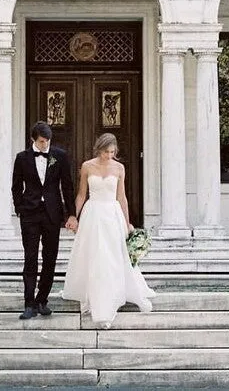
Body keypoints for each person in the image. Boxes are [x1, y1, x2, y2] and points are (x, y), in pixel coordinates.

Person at [62, 132, 154, 328]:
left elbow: (122, 197)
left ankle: (116, 294)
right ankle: (97, 299)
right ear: (99, 149)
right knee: (95, 256)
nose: (109, 156)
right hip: (92, 214)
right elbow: (81, 195)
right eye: (106, 152)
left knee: (113, 256)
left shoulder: (119, 168)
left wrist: (128, 223)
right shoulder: (87, 166)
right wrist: (73, 217)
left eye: (112, 152)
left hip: (112, 215)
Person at [12, 120, 78, 320]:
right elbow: (16, 186)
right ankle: (28, 303)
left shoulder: (60, 156)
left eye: (47, 141)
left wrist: (71, 214)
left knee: (50, 258)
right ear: (33, 139)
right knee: (30, 258)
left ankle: (42, 300)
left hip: (52, 213)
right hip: (30, 214)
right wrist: (20, 209)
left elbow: (67, 186)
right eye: (41, 142)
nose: (45, 145)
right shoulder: (22, 158)